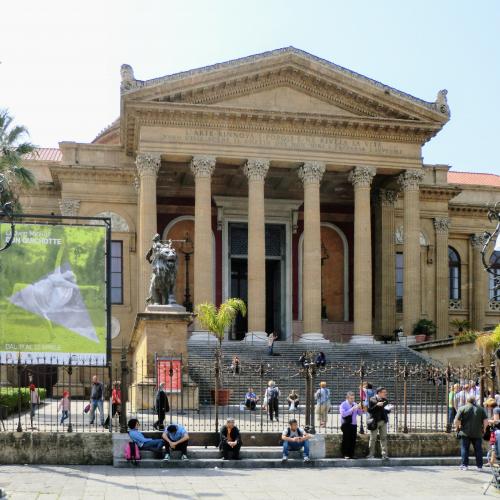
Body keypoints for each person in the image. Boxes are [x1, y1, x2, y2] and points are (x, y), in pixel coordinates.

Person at [454, 395, 488, 471]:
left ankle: (464, 465)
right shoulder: (481, 409)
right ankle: (479, 466)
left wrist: (457, 428)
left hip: (465, 432)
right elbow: (486, 422)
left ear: (467, 401)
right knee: (478, 450)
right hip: (477, 433)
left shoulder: (462, 408)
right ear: (474, 401)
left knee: (464, 449)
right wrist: (484, 430)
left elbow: (456, 421)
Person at [367, 387, 393, 459]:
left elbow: (386, 411)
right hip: (374, 421)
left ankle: (384, 455)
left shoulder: (385, 400)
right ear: (379, 393)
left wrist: (389, 409)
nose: (385, 393)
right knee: (373, 438)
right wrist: (376, 405)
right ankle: (371, 454)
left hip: (383, 421)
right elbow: (369, 410)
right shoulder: (372, 399)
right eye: (384, 392)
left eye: (385, 392)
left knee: (384, 438)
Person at [339, 391, 364, 459]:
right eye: (351, 398)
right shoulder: (343, 404)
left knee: (353, 440)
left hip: (354, 424)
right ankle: (345, 454)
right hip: (346, 424)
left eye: (353, 398)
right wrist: (352, 409)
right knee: (346, 439)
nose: (352, 400)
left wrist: (360, 408)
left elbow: (359, 414)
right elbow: (343, 414)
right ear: (347, 398)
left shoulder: (355, 404)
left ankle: (351, 454)